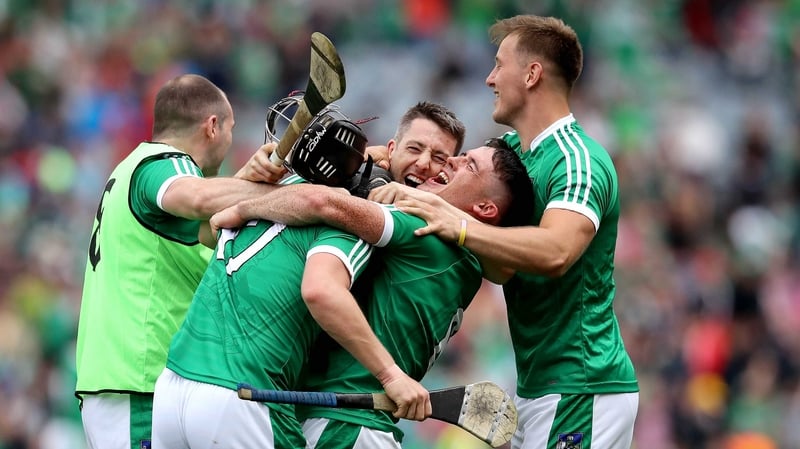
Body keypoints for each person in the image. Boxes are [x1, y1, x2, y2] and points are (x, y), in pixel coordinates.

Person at [369, 15, 640, 449]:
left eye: (499, 65)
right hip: (537, 385)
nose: (490, 78)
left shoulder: (577, 160)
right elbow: (455, 196)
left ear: (532, 75)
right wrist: (369, 160)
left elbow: (556, 251)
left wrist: (458, 226)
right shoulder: (511, 152)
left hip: (582, 385)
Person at [209, 139, 535, 448]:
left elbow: (322, 203)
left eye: (469, 165)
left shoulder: (426, 234)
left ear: (484, 208)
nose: (452, 160)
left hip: (344, 428)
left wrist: (243, 208)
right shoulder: (469, 263)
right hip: (359, 427)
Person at [150, 107, 434, 449]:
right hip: (244, 394)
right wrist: (391, 375)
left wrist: (245, 185)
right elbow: (322, 291)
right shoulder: (347, 220)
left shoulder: (266, 191)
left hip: (172, 387)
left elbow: (207, 231)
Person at [75, 73, 285, 449]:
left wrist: (247, 181)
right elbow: (198, 198)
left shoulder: (132, 168)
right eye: (232, 129)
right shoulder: (163, 162)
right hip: (140, 381)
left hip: (131, 383)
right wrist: (269, 188)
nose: (231, 140)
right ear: (212, 126)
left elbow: (210, 222)